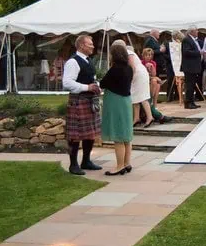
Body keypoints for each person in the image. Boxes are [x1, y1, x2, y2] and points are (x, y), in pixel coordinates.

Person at [62, 34, 103, 176]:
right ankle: (73, 165)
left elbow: (92, 78)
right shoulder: (72, 62)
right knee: (75, 135)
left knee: (90, 134)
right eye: (90, 44)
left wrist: (96, 85)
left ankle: (86, 161)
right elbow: (67, 83)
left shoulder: (88, 60)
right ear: (81, 46)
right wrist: (87, 87)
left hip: (90, 101)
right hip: (78, 101)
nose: (92, 46)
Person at [100, 40, 134, 176]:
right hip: (126, 101)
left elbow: (103, 83)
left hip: (116, 102)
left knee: (118, 135)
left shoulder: (115, 69)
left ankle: (119, 165)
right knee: (126, 135)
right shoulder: (129, 68)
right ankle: (126, 163)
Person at [128, 46, 154, 127]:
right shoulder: (128, 53)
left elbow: (132, 68)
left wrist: (130, 79)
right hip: (137, 76)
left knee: (143, 97)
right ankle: (136, 118)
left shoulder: (129, 53)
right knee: (135, 98)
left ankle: (150, 117)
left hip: (139, 76)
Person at [181, 26, 204, 109]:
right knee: (189, 85)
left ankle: (192, 101)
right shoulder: (187, 40)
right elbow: (186, 52)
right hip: (189, 66)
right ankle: (188, 103)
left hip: (194, 66)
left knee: (192, 84)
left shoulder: (193, 40)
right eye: (196, 31)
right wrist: (199, 52)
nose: (197, 32)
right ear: (192, 32)